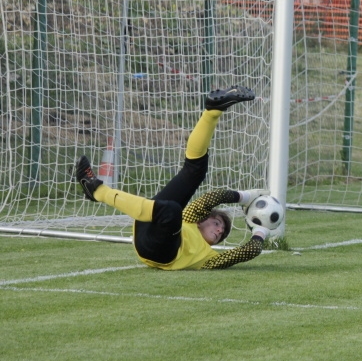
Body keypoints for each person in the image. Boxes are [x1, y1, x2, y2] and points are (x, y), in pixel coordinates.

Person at [75, 85, 273, 270]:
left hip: (158, 252)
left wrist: (260, 229)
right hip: (149, 224)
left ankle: (98, 191)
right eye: (217, 223)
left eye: (221, 234)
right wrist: (248, 196)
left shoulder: (208, 259)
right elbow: (212, 198)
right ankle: (212, 111)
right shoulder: (190, 219)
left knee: (171, 210)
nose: (220, 231)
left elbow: (249, 251)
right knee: (195, 171)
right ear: (202, 220)